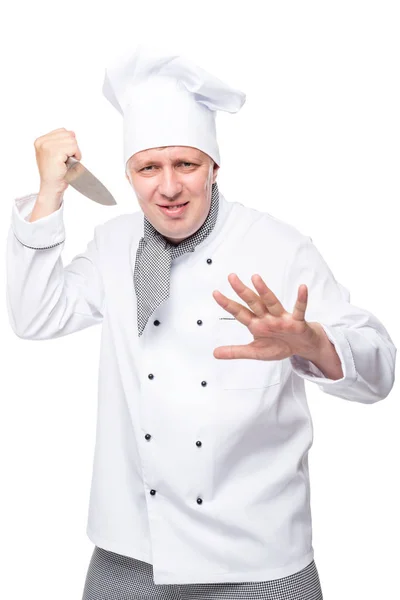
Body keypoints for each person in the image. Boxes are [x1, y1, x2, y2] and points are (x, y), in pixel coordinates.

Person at [6, 44, 396, 600]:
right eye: (148, 168)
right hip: (132, 548)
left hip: (261, 555)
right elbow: (36, 316)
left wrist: (316, 344)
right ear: (129, 173)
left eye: (185, 164)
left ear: (214, 166)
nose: (168, 188)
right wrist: (49, 193)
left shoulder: (279, 248)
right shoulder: (114, 246)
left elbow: (379, 371)